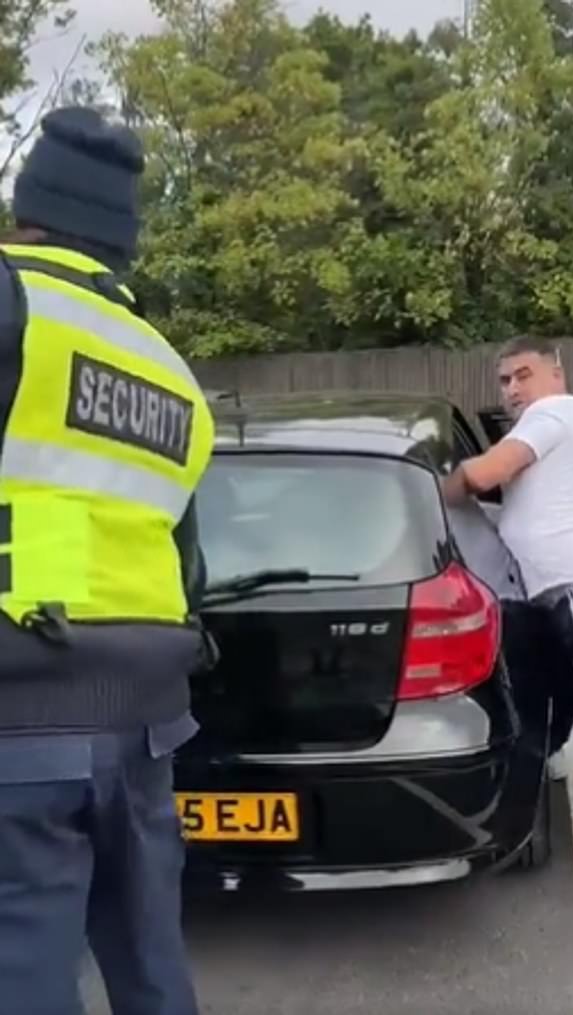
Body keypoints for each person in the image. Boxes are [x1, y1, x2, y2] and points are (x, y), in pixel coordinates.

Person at [0, 107, 215, 1014]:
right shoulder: (171, 371)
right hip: (147, 720)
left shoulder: (14, 305)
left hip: (20, 715)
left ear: (27, 209)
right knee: (150, 967)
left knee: (24, 973)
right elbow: (186, 560)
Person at [442, 335, 573, 768]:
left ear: (557, 374)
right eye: (505, 380)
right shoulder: (562, 423)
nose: (512, 389)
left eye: (523, 376)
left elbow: (486, 472)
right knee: (558, 686)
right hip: (561, 591)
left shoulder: (556, 410)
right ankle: (541, 756)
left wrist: (428, 492)